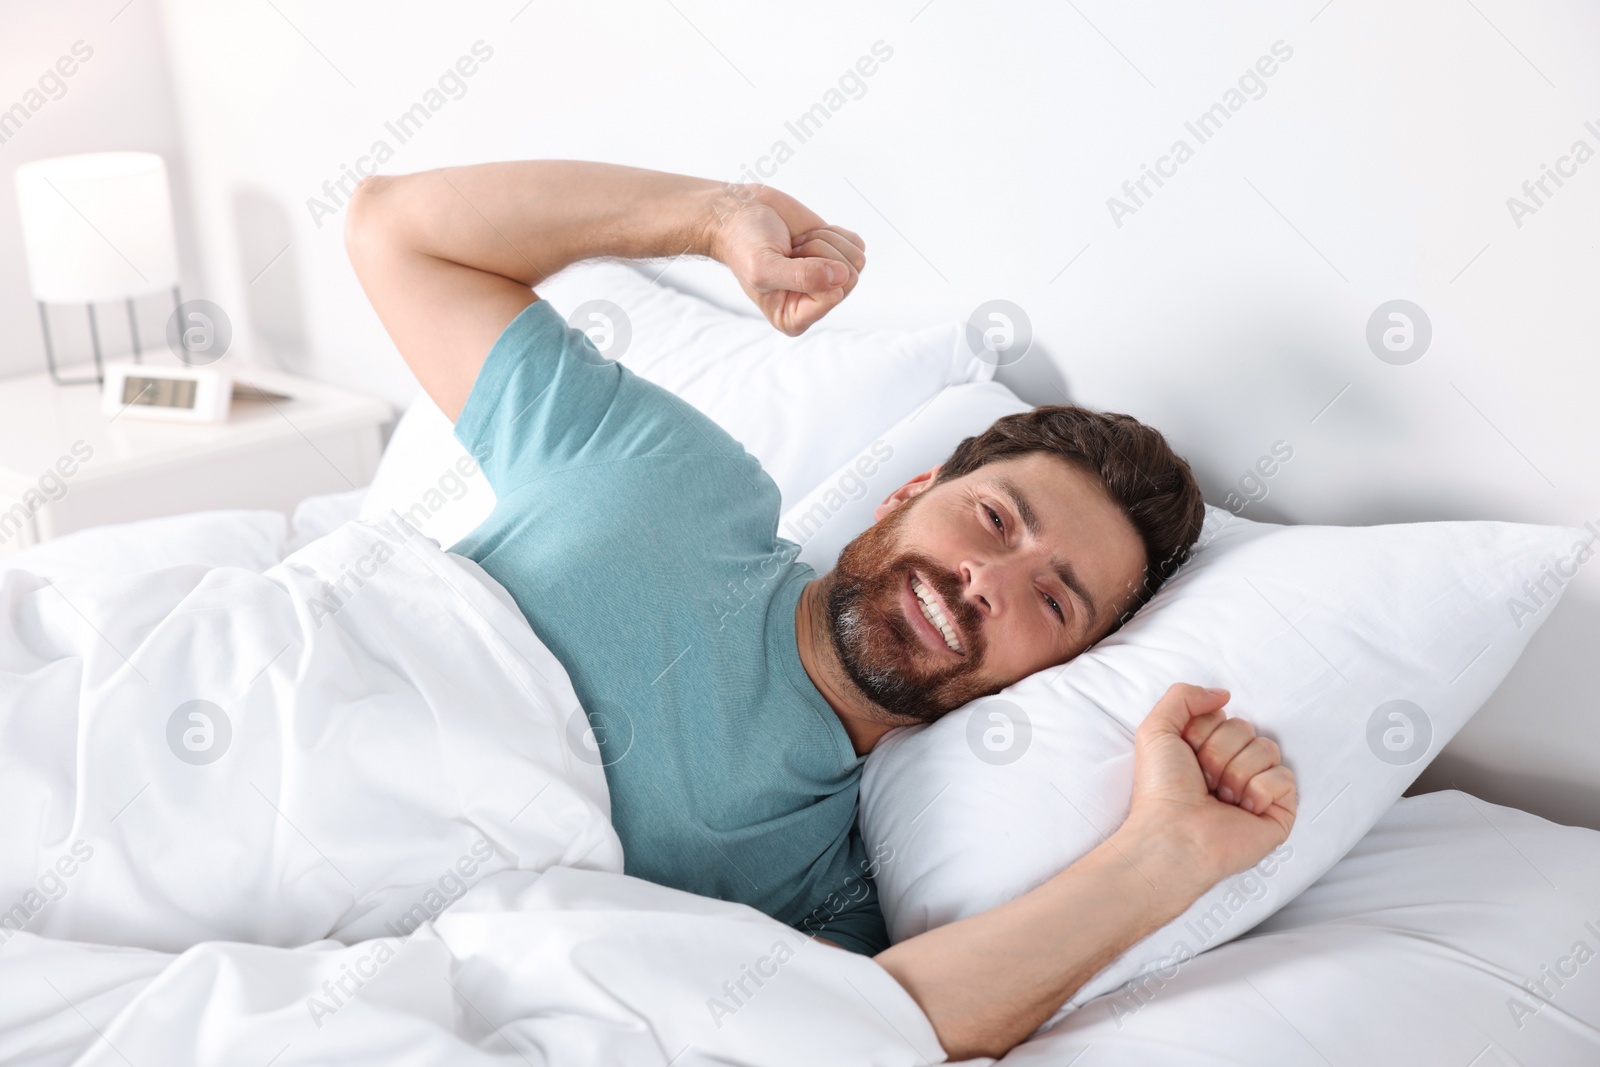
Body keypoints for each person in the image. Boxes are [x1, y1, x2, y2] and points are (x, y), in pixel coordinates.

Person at [345, 160, 1296, 1059]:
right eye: (994, 518)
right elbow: (396, 232)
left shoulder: (821, 880)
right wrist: (714, 216)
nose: (986, 582)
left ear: (1049, 673)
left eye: (1050, 600)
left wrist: (1167, 856)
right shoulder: (673, 479)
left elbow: (886, 1024)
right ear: (908, 491)